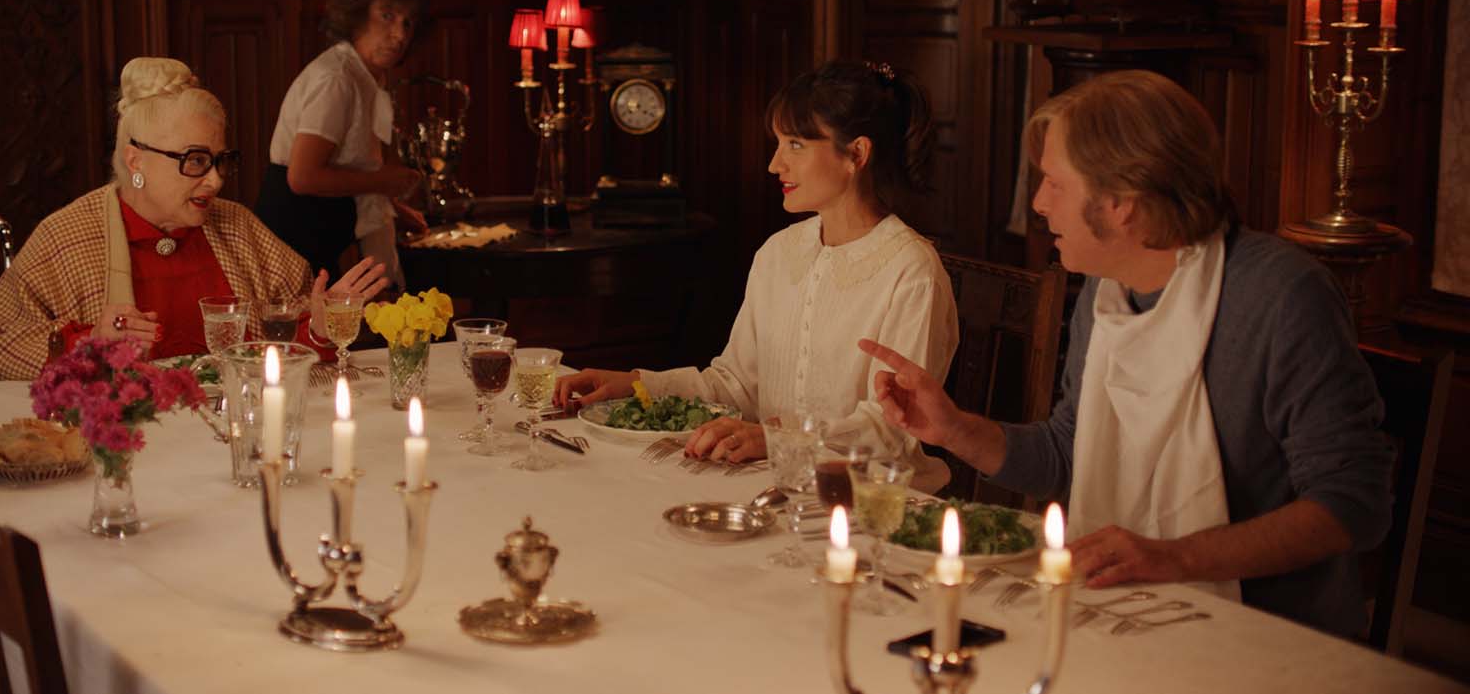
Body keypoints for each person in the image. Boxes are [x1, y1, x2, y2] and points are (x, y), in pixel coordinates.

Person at [859, 70, 1392, 638]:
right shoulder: (1106, 289)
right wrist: (954, 429)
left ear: (1122, 203)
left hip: (1262, 634)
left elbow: (1354, 503)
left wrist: (1174, 558)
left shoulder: (1280, 296)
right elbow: (1069, 453)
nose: (1038, 204)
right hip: (1124, 607)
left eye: (1055, 183)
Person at [556, 60, 959, 488]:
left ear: (856, 154)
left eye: (795, 145)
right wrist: (636, 385)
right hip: (768, 485)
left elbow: (892, 430)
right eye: (778, 143)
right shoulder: (778, 253)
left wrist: (776, 439)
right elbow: (736, 387)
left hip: (870, 502)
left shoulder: (911, 270)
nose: (774, 164)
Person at [0, 58, 390, 381]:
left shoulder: (237, 227)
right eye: (195, 161)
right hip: (121, 443)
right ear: (136, 160)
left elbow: (280, 342)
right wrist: (88, 343)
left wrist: (320, 327)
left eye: (220, 161)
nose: (216, 180)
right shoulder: (69, 235)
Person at [256, 0, 427, 286]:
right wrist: (382, 181)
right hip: (292, 240)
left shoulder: (365, 77)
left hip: (318, 239)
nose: (400, 34)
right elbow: (302, 177)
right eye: (387, 16)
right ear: (358, 13)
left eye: (408, 23)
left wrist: (390, 207)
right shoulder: (337, 78)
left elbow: (349, 167)